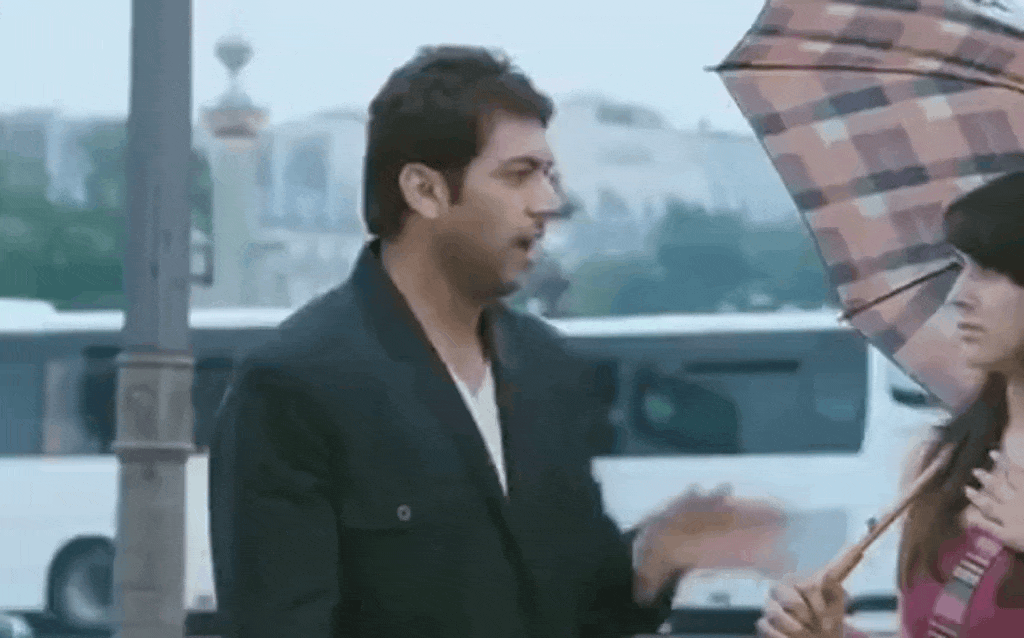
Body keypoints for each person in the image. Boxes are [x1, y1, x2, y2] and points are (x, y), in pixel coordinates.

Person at [209, 45, 732, 638]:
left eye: (548, 175)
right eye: (518, 175)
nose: (548, 203)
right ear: (424, 190)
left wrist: (655, 557)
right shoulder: (294, 386)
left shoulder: (547, 368)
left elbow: (580, 606)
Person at [757, 172, 1024, 638]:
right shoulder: (939, 462)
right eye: (960, 267)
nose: (958, 296)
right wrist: (833, 634)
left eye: (987, 271)